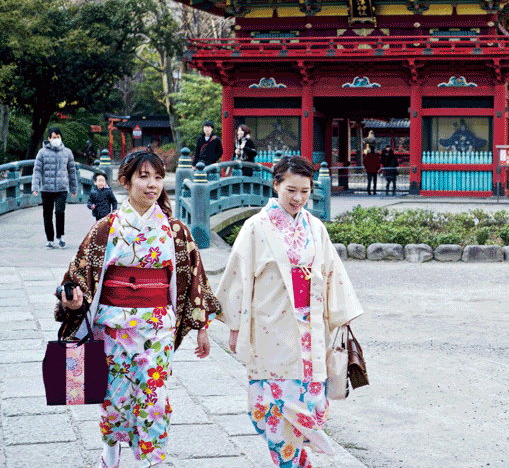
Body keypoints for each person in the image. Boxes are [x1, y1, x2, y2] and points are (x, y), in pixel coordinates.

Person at [55, 150, 222, 468]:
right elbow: (79, 277)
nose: (153, 184)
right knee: (113, 396)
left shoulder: (174, 231)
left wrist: (202, 327)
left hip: (156, 327)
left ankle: (153, 459)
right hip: (113, 325)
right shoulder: (106, 229)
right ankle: (111, 448)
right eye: (144, 176)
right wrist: (74, 299)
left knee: (154, 396)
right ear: (125, 181)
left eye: (158, 177)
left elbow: (194, 282)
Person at [215, 155, 363, 468]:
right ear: (275, 185)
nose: (297, 198)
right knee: (271, 405)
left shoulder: (315, 227)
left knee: (311, 400)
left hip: (311, 325)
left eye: (305, 192)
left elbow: (332, 271)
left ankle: (300, 450)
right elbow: (239, 276)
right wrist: (235, 327)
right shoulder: (256, 227)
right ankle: (291, 459)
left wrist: (341, 310)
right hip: (271, 323)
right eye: (290, 190)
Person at [32, 127, 78, 249]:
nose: (56, 139)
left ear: (61, 138)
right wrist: (35, 186)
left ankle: (60, 237)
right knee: (47, 214)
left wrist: (74, 188)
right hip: (46, 188)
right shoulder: (42, 152)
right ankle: (50, 239)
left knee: (59, 212)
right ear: (49, 138)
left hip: (62, 188)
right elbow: (37, 171)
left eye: (58, 137)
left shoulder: (67, 152)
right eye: (53, 137)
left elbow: (72, 171)